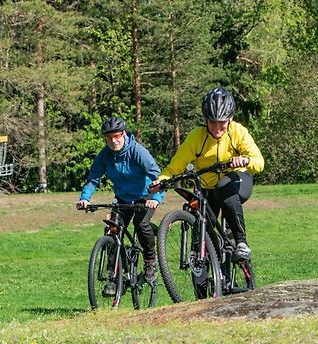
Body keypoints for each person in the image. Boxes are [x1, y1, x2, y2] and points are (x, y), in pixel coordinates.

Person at [150, 87, 264, 260]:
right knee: (200, 231)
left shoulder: (238, 132)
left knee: (223, 188)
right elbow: (175, 166)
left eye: (222, 122)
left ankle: (241, 241)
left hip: (237, 181)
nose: (217, 127)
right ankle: (203, 273)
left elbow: (259, 163)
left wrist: (245, 160)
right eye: (212, 122)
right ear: (206, 119)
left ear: (230, 119)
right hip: (206, 187)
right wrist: (161, 181)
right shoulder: (197, 136)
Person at [77, 117, 164, 287]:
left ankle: (150, 262)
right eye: (109, 138)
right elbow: (94, 178)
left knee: (141, 224)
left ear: (123, 134)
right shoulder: (105, 155)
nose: (113, 141)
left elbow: (157, 176)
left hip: (144, 197)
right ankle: (113, 275)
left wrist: (156, 198)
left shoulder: (138, 152)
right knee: (113, 231)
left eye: (116, 136)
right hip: (122, 199)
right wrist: (85, 198)